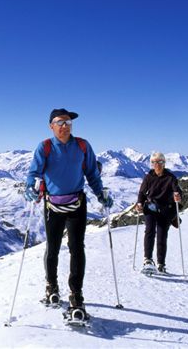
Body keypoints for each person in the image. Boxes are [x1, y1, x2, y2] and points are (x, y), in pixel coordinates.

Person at [24, 108, 111, 317]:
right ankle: (51, 286)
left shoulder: (82, 145)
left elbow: (92, 173)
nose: (65, 126)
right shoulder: (44, 147)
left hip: (77, 204)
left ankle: (76, 294)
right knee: (52, 248)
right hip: (52, 205)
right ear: (51, 126)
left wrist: (101, 193)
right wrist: (29, 188)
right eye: (60, 122)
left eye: (68, 122)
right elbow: (33, 173)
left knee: (76, 248)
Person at [135, 152, 183, 273]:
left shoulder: (170, 177)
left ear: (164, 163)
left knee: (162, 236)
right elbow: (142, 193)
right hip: (150, 208)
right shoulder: (148, 177)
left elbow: (177, 191)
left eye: (160, 162)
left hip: (166, 210)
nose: (157, 164)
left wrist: (178, 196)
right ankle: (148, 260)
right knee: (150, 231)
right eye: (154, 162)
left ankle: (161, 264)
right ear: (151, 164)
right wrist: (140, 203)